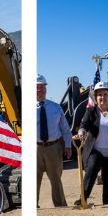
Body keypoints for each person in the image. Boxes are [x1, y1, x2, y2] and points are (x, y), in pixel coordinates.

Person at [72, 82, 108, 206]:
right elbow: (84, 124)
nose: (103, 97)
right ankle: (83, 198)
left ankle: (107, 203)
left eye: (105, 94)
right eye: (100, 95)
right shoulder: (91, 111)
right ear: (96, 98)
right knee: (92, 168)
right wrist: (81, 133)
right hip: (95, 150)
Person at [34, 73, 72, 208]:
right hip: (34, 149)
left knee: (56, 179)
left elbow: (65, 129)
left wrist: (68, 146)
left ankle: (60, 205)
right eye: (37, 87)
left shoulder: (56, 108)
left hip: (54, 147)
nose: (40, 90)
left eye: (42, 87)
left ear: (46, 89)